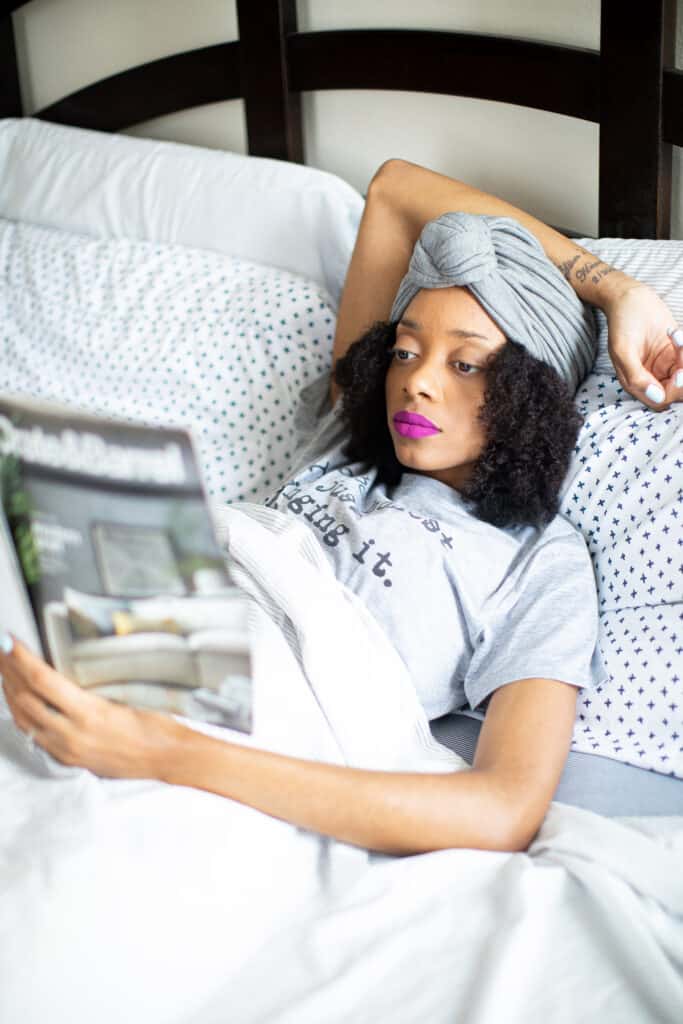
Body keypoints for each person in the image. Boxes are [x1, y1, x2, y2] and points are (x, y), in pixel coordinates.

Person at [1, 160, 682, 856]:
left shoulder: (539, 560)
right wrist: (613, 286)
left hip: (219, 734)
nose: (414, 382)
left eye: (466, 364)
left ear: (532, 396)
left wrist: (162, 751)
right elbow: (394, 191)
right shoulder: (349, 438)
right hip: (147, 621)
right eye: (404, 349)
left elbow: (501, 809)